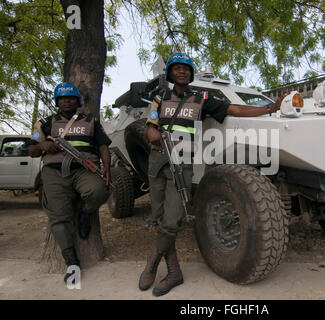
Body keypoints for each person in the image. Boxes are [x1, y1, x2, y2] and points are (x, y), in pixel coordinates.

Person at [138, 52, 288, 296]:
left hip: (182, 162)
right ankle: (174, 272)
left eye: (186, 68)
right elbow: (151, 129)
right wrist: (153, 134)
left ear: (190, 74)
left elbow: (233, 109)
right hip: (158, 162)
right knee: (158, 217)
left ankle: (153, 260)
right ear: (170, 73)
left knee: (173, 219)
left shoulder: (201, 99)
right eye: (177, 68)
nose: (182, 71)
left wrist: (271, 108)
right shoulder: (159, 98)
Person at [28, 82, 112, 284]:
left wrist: (107, 168)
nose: (67, 101)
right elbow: (31, 150)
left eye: (71, 98)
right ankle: (72, 262)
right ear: (58, 101)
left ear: (77, 101)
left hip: (84, 170)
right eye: (63, 98)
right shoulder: (45, 123)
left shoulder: (91, 121)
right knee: (58, 218)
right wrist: (43, 145)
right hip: (54, 174)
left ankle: (85, 212)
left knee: (100, 190)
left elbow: (103, 147)